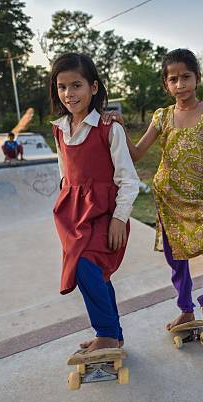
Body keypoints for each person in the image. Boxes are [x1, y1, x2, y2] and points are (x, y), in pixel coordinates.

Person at [110, 49, 203, 330]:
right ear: (166, 84)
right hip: (168, 200)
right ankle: (186, 310)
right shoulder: (162, 117)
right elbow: (137, 153)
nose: (180, 85)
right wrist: (120, 127)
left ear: (198, 78)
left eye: (186, 77)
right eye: (173, 79)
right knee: (176, 260)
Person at [50, 52, 140, 352]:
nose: (69, 94)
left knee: (86, 267)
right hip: (73, 215)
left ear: (94, 87)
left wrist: (120, 219)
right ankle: (113, 333)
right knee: (96, 273)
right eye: (62, 87)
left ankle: (106, 334)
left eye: (76, 85)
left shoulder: (107, 128)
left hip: (105, 213)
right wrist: (65, 206)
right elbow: (64, 173)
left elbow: (129, 179)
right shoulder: (59, 129)